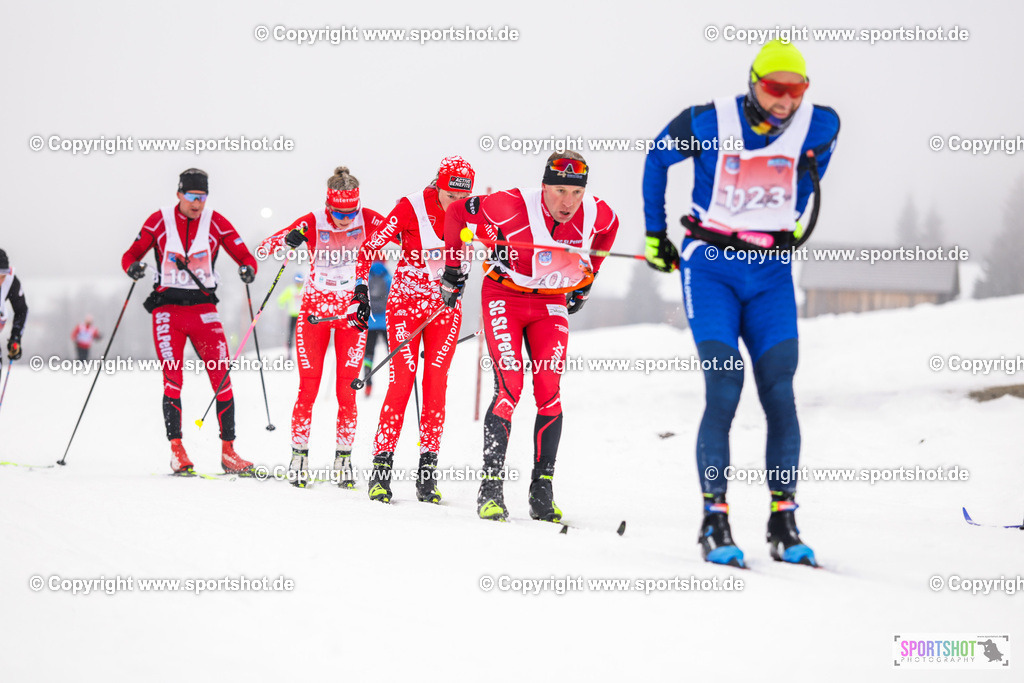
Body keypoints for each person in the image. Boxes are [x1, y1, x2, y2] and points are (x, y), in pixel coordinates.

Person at [642, 40, 840, 567]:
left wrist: (789, 218)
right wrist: (655, 233)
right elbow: (657, 159)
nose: (784, 102)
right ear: (754, 82)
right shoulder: (708, 121)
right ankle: (715, 518)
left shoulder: (821, 125)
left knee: (779, 388)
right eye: (775, 89)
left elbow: (808, 171)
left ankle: (783, 519)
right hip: (710, 267)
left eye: (795, 91)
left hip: (771, 273)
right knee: (725, 385)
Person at [442, 151, 620, 522]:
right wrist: (453, 270)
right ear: (544, 187)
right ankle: (490, 489)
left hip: (549, 303)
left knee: (549, 391)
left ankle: (542, 490)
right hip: (503, 295)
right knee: (509, 389)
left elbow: (609, 230)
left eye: (576, 193)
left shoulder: (596, 213)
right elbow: (457, 214)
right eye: (559, 191)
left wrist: (587, 282)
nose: (567, 202)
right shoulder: (509, 204)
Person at [353, 156, 476, 504]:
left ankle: (427, 474)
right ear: (437, 186)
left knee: (436, 382)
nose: (457, 205)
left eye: (462, 198)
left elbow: (494, 246)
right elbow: (369, 249)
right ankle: (380, 471)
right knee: (402, 381)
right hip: (406, 306)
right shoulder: (411, 207)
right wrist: (361, 292)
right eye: (450, 196)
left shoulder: (471, 208)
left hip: (444, 310)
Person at [121, 168, 259, 476]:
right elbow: (130, 254)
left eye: (202, 197)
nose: (197, 204)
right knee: (173, 379)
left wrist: (249, 268)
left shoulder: (216, 222)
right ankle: (177, 450)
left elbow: (244, 256)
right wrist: (133, 267)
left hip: (203, 310)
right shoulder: (159, 221)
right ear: (179, 194)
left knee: (221, 378)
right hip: (167, 312)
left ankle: (229, 452)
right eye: (191, 197)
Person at [258, 166, 386, 488]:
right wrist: (287, 240)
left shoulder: (368, 219)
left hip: (351, 315)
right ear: (328, 204)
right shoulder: (313, 221)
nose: (345, 219)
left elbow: (408, 237)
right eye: (338, 212)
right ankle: (298, 457)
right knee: (308, 388)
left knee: (347, 391)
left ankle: (343, 461)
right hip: (314, 313)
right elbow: (264, 249)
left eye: (351, 211)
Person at [360, 260, 392, 396]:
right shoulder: (389, 278)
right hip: (386, 322)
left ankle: (368, 384)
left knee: (368, 354)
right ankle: (395, 382)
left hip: (370, 323)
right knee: (392, 353)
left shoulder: (366, 279)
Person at [0, 249, 27, 364]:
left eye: (3, 277)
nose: (1, 282)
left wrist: (15, 337)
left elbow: (21, 310)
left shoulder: (10, 281)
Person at [277, 272, 304, 360]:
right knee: (290, 336)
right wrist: (282, 306)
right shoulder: (291, 289)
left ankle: (307, 354)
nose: (298, 283)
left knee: (304, 335)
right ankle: (289, 355)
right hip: (293, 315)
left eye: (300, 281)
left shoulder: (305, 288)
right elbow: (281, 299)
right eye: (297, 281)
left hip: (303, 316)